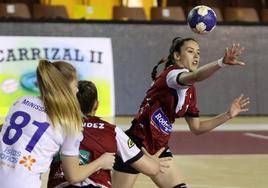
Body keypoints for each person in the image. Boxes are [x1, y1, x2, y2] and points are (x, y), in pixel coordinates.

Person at [112, 37, 250, 188]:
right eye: (190, 52)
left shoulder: (190, 91)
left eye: (198, 52)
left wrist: (228, 115)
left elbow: (196, 128)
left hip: (160, 148)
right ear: (177, 56)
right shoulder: (171, 76)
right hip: (135, 145)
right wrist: (221, 63)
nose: (196, 56)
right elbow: (197, 76)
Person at [0, 60, 115, 188]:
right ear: (64, 88)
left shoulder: (21, 102)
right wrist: (101, 162)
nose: (77, 89)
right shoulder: (70, 123)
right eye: (75, 85)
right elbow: (73, 176)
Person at [48, 80, 169, 188]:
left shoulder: (55, 127)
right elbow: (151, 169)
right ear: (96, 104)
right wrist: (154, 163)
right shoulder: (113, 131)